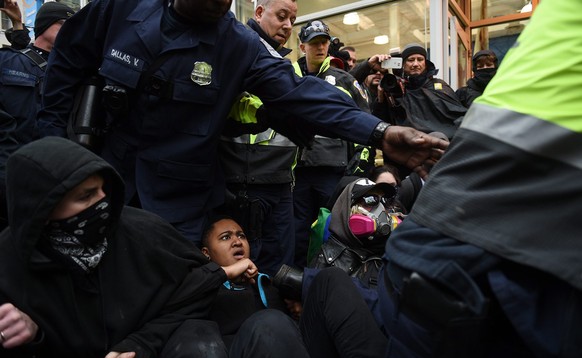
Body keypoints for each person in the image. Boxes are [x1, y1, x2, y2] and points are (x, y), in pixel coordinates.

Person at [284, 0, 582, 358]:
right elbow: (366, 114)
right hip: (432, 229)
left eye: (416, 61)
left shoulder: (445, 92)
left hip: (451, 266)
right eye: (406, 62)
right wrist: (381, 145)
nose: (411, 67)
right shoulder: (367, 86)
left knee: (336, 284)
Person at [36, 0, 448, 247]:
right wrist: (55, 155)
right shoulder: (122, 10)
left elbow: (300, 93)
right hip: (97, 184)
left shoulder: (240, 44)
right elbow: (66, 65)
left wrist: (378, 132)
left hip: (178, 203)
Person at [0, 137, 264, 358]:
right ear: (43, 210)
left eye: (103, 190)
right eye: (85, 197)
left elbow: (192, 295)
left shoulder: (142, 231)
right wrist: (38, 341)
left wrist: (140, 346)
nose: (102, 203)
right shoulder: (8, 269)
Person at [218, 0, 299, 276]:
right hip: (235, 182)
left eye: (292, 19)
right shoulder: (232, 53)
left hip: (279, 186)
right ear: (260, 12)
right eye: (282, 16)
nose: (288, 26)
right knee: (237, 269)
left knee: (280, 268)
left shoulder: (292, 69)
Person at [292, 19, 373, 268]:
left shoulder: (344, 80)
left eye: (324, 43)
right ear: (302, 45)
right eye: (314, 43)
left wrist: (358, 168)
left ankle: (330, 279)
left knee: (333, 230)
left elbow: (366, 122)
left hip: (333, 172)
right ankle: (298, 284)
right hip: (296, 173)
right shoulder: (287, 76)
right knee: (297, 233)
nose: (320, 48)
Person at [200, 215, 316, 358]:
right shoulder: (203, 289)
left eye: (241, 236)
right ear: (206, 254)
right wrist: (225, 273)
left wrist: (300, 314)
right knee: (270, 322)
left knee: (331, 280)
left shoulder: (270, 285)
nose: (237, 241)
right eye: (226, 237)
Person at [0, 1, 74, 231]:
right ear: (44, 26)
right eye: (64, 23)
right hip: (8, 167)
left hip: (52, 173)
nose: (70, 30)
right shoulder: (8, 61)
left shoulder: (73, 70)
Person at [376, 43, 466, 140]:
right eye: (410, 60)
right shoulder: (395, 90)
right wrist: (381, 98)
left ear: (425, 63)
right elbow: (382, 122)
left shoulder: (438, 85)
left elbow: (458, 116)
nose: (415, 64)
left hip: (441, 143)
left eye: (420, 59)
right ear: (403, 64)